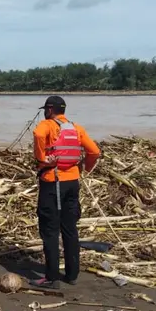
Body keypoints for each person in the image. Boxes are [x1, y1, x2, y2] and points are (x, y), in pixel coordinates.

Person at [30, 96, 100, 289]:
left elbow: (37, 134)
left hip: (53, 182)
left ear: (50, 109)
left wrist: (42, 158)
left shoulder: (47, 125)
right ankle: (72, 275)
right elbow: (94, 151)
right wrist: (85, 168)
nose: (45, 112)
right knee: (70, 229)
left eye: (46, 109)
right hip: (72, 183)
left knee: (50, 231)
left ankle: (52, 278)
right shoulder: (76, 127)